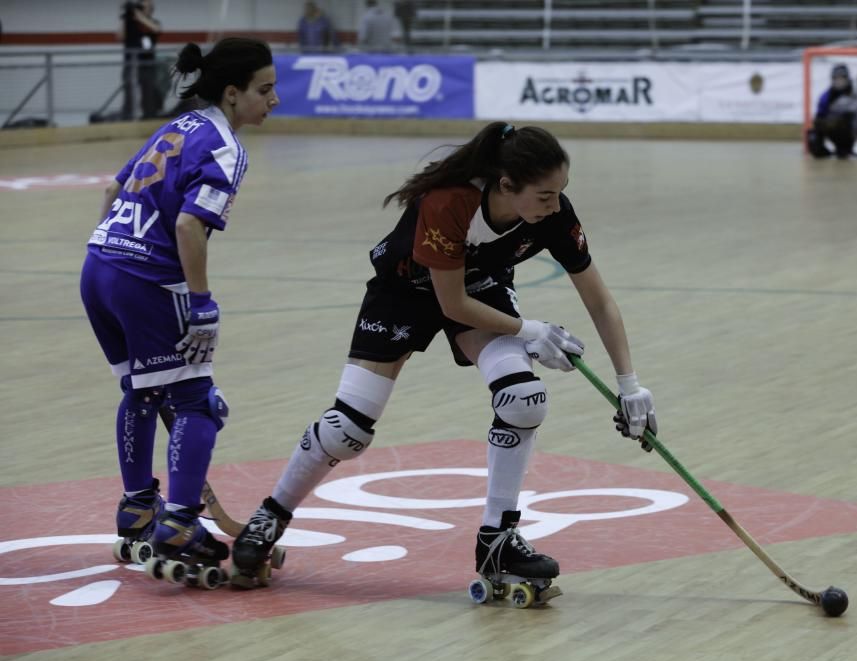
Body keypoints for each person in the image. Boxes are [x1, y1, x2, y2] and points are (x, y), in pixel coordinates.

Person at [231, 122, 658, 596]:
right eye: (544, 195)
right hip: (405, 292)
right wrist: (531, 330)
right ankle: (270, 515)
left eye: (560, 193)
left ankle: (497, 540)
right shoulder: (449, 202)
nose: (555, 205)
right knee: (347, 430)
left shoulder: (552, 213)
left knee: (523, 396)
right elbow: (450, 304)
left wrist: (629, 385)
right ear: (506, 185)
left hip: (481, 289)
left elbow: (599, 300)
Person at [80, 38, 279, 573]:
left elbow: (110, 188)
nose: (274, 100)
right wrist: (201, 302)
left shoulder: (178, 126)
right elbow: (189, 224)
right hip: (145, 281)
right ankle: (181, 521)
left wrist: (113, 252)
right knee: (197, 403)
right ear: (233, 93)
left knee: (142, 392)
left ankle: (138, 509)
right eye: (265, 89)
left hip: (98, 267)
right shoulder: (224, 148)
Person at [119, 0, 163, 120]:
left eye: (147, 6)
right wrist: (125, 16)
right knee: (129, 90)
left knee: (148, 91)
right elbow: (120, 37)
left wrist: (140, 17)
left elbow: (157, 29)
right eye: (142, 6)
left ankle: (149, 117)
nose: (144, 8)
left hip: (147, 64)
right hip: (131, 62)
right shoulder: (131, 22)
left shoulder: (153, 22)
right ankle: (127, 117)